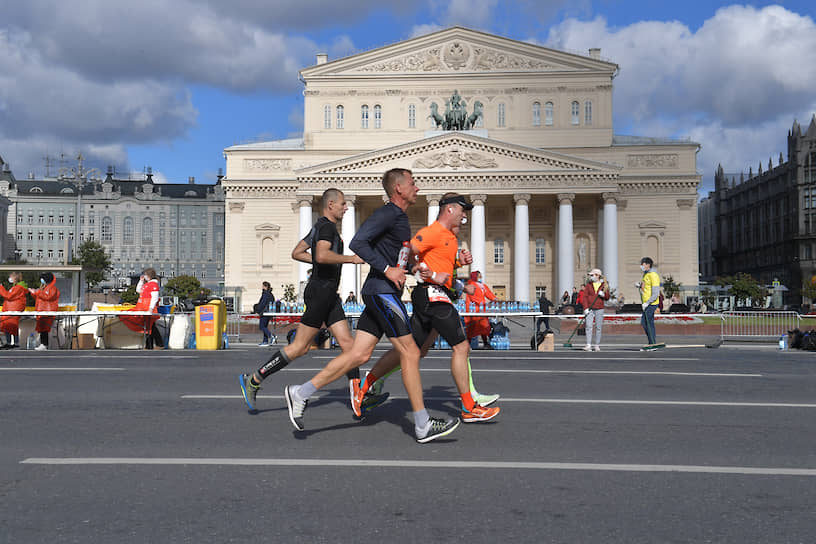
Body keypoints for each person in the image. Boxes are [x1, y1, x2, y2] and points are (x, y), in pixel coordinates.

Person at [283, 168, 461, 443]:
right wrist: (388, 269)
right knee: (411, 352)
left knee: (359, 355)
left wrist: (415, 269)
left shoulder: (399, 217)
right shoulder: (388, 213)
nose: (417, 187)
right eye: (412, 183)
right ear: (399, 189)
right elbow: (358, 242)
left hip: (381, 291)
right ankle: (423, 423)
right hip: (381, 293)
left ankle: (301, 392)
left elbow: (396, 256)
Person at [359, 194, 502, 418]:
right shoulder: (431, 232)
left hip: (434, 295)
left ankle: (366, 385)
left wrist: (458, 262)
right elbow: (407, 253)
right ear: (450, 210)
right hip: (432, 295)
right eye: (462, 211)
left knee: (415, 351)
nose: (464, 216)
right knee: (461, 347)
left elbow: (439, 261)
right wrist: (421, 270)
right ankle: (469, 407)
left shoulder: (450, 237)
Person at [239, 188, 367, 412]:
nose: (346, 208)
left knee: (349, 346)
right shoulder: (326, 227)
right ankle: (254, 380)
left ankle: (357, 395)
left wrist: (320, 263)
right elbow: (321, 255)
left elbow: (297, 252)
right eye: (343, 204)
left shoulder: (318, 227)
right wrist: (350, 259)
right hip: (321, 292)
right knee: (300, 347)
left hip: (328, 293)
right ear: (331, 205)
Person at [120, 268, 163, 349]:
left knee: (149, 327)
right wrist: (141, 281)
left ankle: (153, 344)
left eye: (145, 275)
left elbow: (155, 297)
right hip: (142, 308)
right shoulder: (147, 284)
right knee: (150, 327)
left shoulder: (153, 285)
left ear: (149, 275)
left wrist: (151, 308)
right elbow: (139, 290)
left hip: (147, 309)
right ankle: (156, 344)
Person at [464, 270, 496, 349]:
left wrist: (495, 299)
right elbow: (473, 297)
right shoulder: (471, 285)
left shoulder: (482, 286)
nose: (481, 277)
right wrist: (484, 303)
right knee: (471, 327)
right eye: (479, 276)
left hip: (481, 310)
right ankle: (467, 344)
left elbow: (488, 293)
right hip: (473, 309)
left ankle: (485, 343)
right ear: (475, 277)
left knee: (484, 327)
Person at [29, 272, 60, 351]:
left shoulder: (52, 288)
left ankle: (44, 344)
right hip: (42, 311)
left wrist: (37, 292)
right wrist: (34, 293)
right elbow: (40, 297)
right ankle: (43, 344)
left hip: (47, 311)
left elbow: (48, 297)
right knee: (42, 329)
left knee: (45, 329)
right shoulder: (45, 288)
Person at [580, 268, 610, 352]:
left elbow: (607, 297)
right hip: (590, 308)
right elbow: (585, 297)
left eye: (592, 275)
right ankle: (588, 344)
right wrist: (585, 308)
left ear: (597, 275)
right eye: (590, 275)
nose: (591, 277)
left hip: (599, 308)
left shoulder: (604, 285)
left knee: (598, 327)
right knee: (589, 326)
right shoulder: (589, 285)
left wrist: (603, 295)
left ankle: (597, 344)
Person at [636, 257, 661, 349]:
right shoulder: (646, 275)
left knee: (645, 322)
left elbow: (655, 293)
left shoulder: (653, 275)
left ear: (647, 265)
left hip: (652, 303)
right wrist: (639, 285)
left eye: (642, 264)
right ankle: (652, 342)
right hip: (646, 303)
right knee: (649, 323)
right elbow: (645, 287)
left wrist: (648, 303)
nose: (641, 266)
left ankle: (652, 342)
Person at [0, 272, 27, 348]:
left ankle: (15, 343)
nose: (10, 278)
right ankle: (11, 343)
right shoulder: (16, 287)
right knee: (9, 326)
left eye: (11, 277)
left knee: (11, 325)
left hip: (13, 310)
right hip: (11, 309)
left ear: (15, 278)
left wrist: (1, 288)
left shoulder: (18, 288)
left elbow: (8, 296)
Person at [254, 281, 275, 346]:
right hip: (269, 312)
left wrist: (257, 309)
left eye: (263, 286)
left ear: (265, 286)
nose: (262, 287)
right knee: (265, 326)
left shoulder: (265, 294)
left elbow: (262, 304)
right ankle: (265, 341)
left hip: (264, 312)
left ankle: (271, 336)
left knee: (262, 326)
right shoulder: (271, 294)